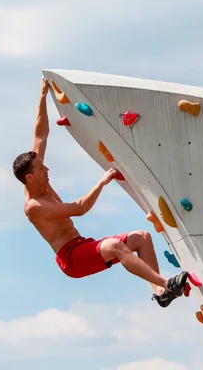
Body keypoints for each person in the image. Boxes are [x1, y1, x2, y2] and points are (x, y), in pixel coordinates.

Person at [12, 77, 188, 308]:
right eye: (41, 169)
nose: (46, 169)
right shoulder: (34, 206)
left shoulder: (38, 179)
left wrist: (43, 96)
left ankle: (160, 293)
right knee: (115, 246)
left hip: (81, 244)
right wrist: (102, 182)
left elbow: (40, 135)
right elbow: (80, 209)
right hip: (71, 258)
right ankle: (167, 283)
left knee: (141, 238)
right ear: (29, 177)